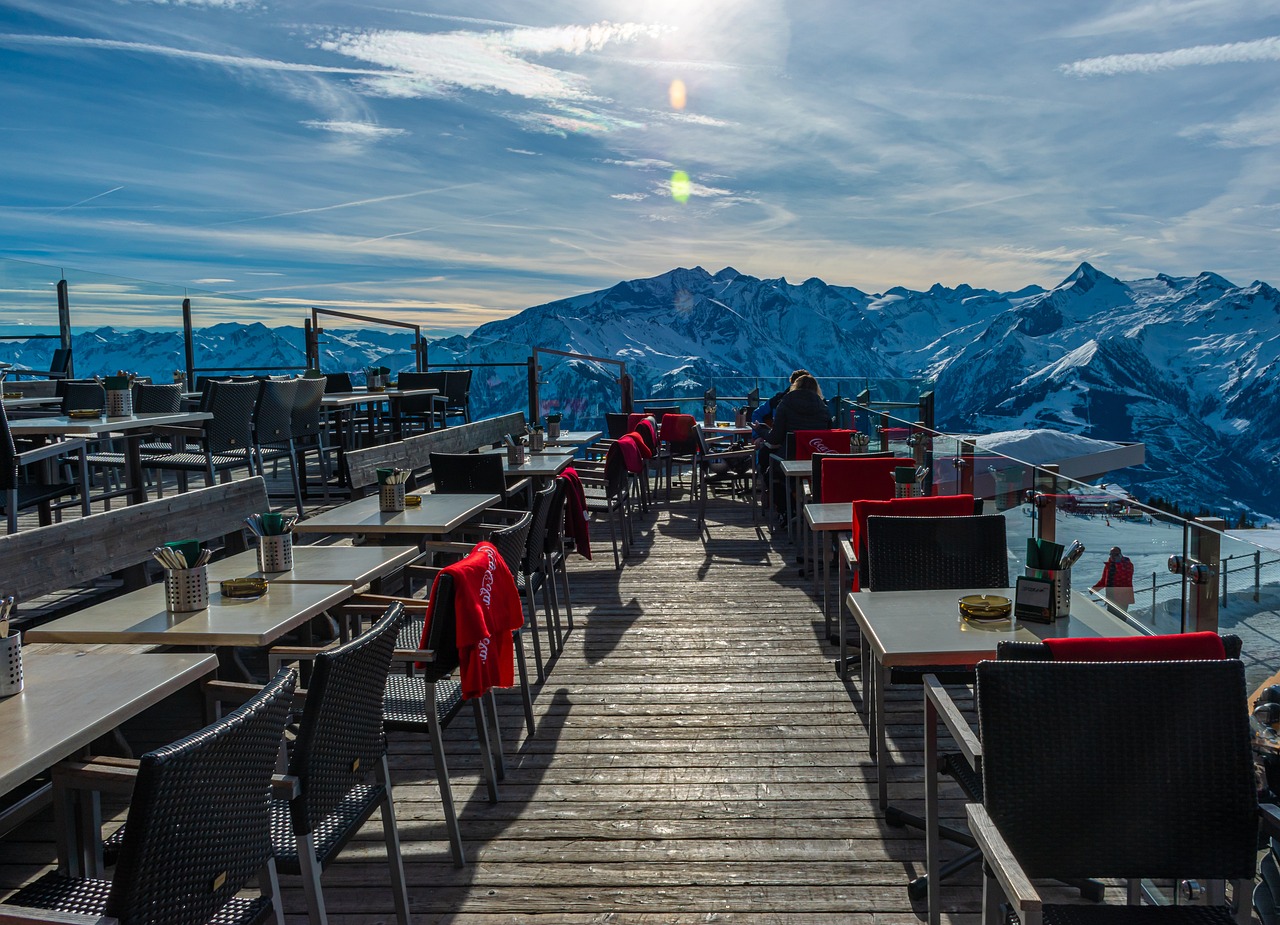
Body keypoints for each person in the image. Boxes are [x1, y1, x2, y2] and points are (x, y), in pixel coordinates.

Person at [762, 374, 833, 522]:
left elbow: (775, 437)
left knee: (770, 473)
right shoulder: (824, 408)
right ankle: (814, 510)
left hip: (790, 458)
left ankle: (787, 510)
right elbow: (829, 435)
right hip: (817, 461)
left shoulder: (785, 403)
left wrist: (762, 430)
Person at [1092, 546, 1135, 611]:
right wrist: (1094, 589)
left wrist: (1118, 564)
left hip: (1123, 598)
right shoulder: (1109, 565)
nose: (1113, 556)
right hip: (1111, 597)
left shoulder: (1127, 564)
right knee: (1112, 618)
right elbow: (1104, 580)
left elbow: (1125, 576)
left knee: (1120, 619)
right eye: (1111, 554)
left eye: (1116, 554)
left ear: (1120, 555)